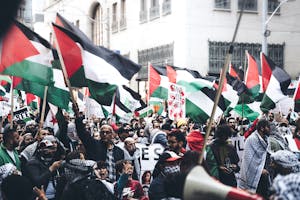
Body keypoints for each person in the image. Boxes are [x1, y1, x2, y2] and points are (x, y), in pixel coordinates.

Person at [75, 116, 124, 182]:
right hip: (97, 184)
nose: (104, 134)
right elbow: (82, 134)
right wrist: (78, 117)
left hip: (114, 185)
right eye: (102, 132)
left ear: (112, 135)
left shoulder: (119, 151)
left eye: (107, 132)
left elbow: (121, 170)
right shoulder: (94, 145)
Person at [23, 135, 63, 200]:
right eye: (47, 148)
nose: (49, 151)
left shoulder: (52, 160)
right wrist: (51, 169)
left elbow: (63, 151)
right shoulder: (32, 163)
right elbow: (38, 181)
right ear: (40, 149)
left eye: (51, 148)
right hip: (40, 197)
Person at [239, 119, 271, 199]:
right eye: (268, 127)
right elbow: (249, 160)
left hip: (264, 175)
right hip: (255, 174)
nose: (269, 129)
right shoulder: (251, 139)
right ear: (262, 128)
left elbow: (265, 155)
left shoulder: (266, 139)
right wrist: (260, 170)